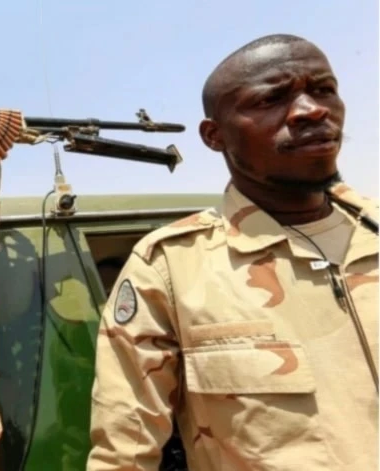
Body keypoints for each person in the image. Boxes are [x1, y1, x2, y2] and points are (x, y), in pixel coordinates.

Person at [87, 33, 378, 471]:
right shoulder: (171, 267)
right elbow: (124, 454)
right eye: (272, 99)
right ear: (214, 136)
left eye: (323, 90)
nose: (311, 110)